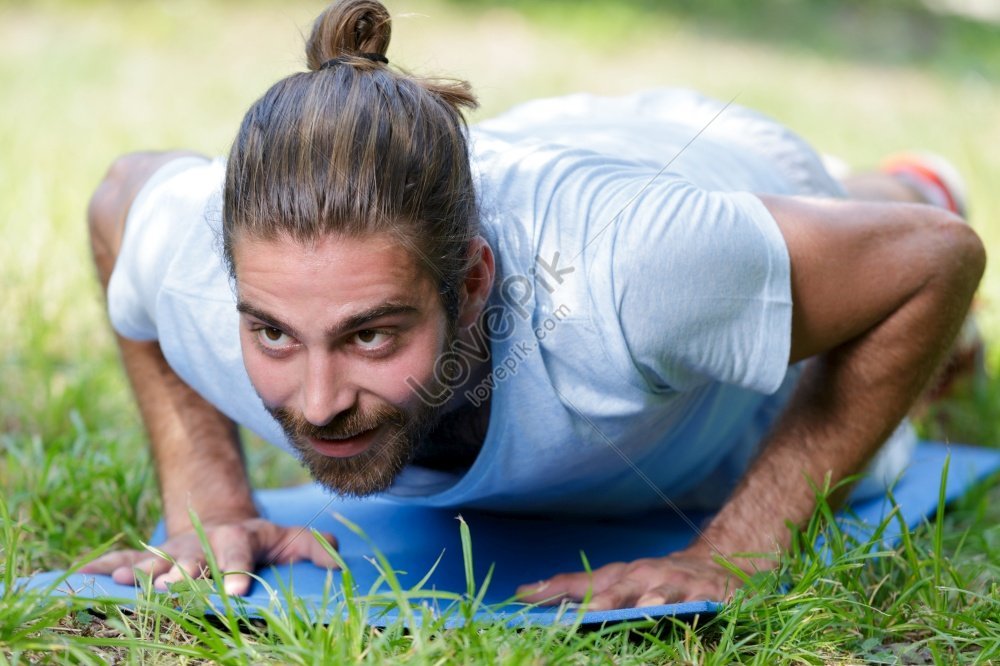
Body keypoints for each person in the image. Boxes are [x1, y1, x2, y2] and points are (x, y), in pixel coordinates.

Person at [82, 0, 985, 610]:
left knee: (883, 262)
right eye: (272, 333)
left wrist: (740, 547)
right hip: (518, 155)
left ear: (473, 283)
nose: (316, 402)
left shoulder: (632, 277)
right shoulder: (204, 271)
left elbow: (934, 265)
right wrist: (209, 494)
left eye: (371, 335)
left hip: (697, 168)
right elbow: (120, 198)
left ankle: (907, 180)